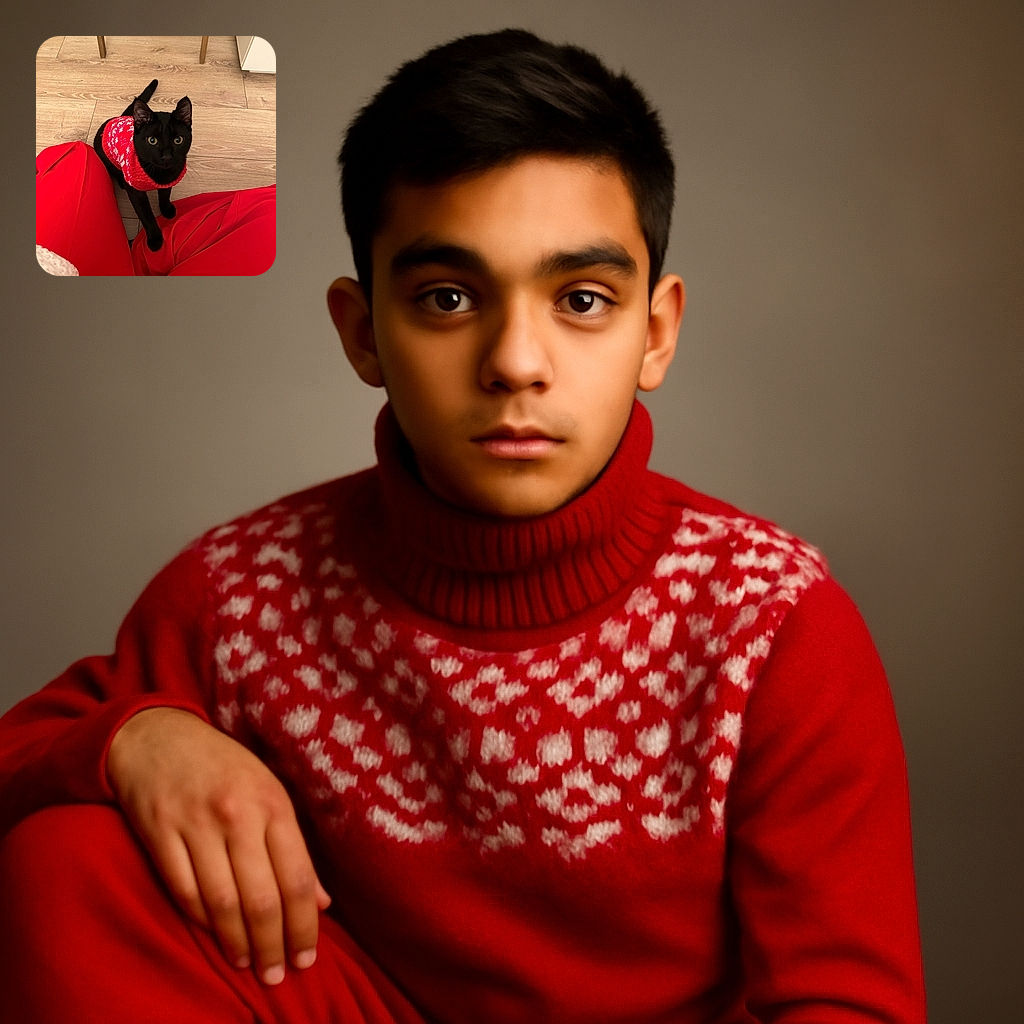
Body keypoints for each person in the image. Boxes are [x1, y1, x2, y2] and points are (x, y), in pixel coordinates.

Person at [0, 28, 926, 1023]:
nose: (515, 360)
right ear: (363, 332)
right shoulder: (239, 597)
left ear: (653, 333)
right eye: (448, 298)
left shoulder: (771, 623)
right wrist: (135, 737)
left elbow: (847, 1001)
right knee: (65, 860)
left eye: (580, 299)